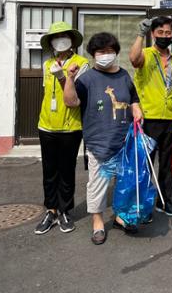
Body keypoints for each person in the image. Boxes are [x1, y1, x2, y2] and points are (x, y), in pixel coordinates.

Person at [63, 32, 143, 245]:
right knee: (98, 183)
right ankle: (97, 221)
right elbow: (71, 102)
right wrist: (70, 78)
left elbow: (133, 98)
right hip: (99, 141)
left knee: (124, 182)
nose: (106, 55)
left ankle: (120, 216)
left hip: (125, 140)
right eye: (101, 51)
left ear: (116, 53)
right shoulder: (86, 79)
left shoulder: (124, 75)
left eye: (109, 51)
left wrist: (137, 110)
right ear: (93, 54)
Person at [130, 16, 172, 217]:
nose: (165, 36)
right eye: (160, 32)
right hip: (148, 117)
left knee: (167, 163)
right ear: (153, 34)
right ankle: (143, 203)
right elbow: (133, 59)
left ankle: (164, 200)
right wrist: (140, 34)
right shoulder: (146, 54)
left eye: (168, 33)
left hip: (170, 118)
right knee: (145, 162)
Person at [34, 21, 89, 235]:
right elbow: (47, 94)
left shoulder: (81, 63)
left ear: (71, 39)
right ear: (51, 42)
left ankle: (65, 211)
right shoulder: (47, 65)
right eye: (55, 37)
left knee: (66, 170)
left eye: (63, 36)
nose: (59, 40)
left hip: (70, 127)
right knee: (49, 171)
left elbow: (77, 96)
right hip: (46, 125)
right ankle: (51, 210)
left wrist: (63, 76)